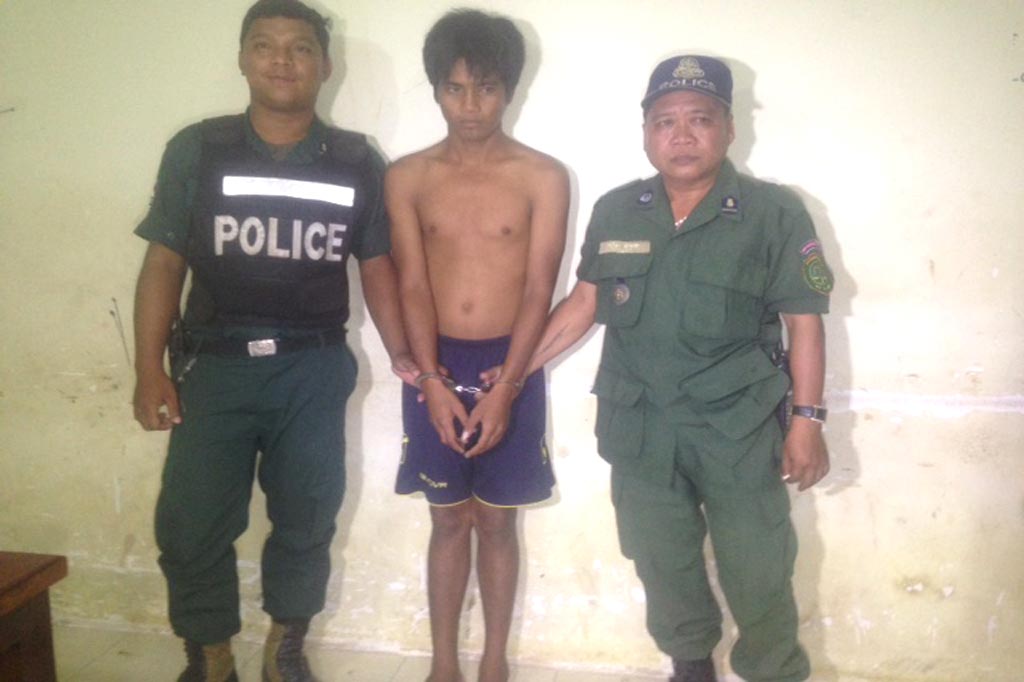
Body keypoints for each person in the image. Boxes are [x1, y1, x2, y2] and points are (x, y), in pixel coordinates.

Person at [511, 56, 833, 681]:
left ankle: (773, 671)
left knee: (759, 566)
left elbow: (805, 324)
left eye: (699, 119)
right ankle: (690, 664)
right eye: (664, 122)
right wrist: (511, 376)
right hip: (641, 427)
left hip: (736, 431)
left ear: (729, 129)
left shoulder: (773, 212)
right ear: (645, 133)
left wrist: (807, 423)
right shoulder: (616, 210)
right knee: (661, 560)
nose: (681, 136)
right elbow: (583, 305)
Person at [131, 1, 414, 680]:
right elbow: (164, 261)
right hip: (213, 369)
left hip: (311, 369)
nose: (282, 60)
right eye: (265, 45)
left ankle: (285, 649)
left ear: (325, 65)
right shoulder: (199, 148)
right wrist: (147, 368)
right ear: (242, 58)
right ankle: (210, 656)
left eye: (300, 47)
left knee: (307, 519)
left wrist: (404, 353)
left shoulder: (356, 160)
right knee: (192, 524)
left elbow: (378, 267)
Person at [388, 9, 570, 682]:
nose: (470, 106)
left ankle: (494, 662)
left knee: (496, 523)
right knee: (447, 522)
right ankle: (443, 664)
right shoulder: (408, 177)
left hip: (510, 364)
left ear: (510, 90)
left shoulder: (542, 176)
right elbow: (411, 283)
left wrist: (512, 385)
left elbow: (539, 289)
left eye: (487, 88)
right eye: (455, 88)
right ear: (437, 89)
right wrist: (429, 379)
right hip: (436, 364)